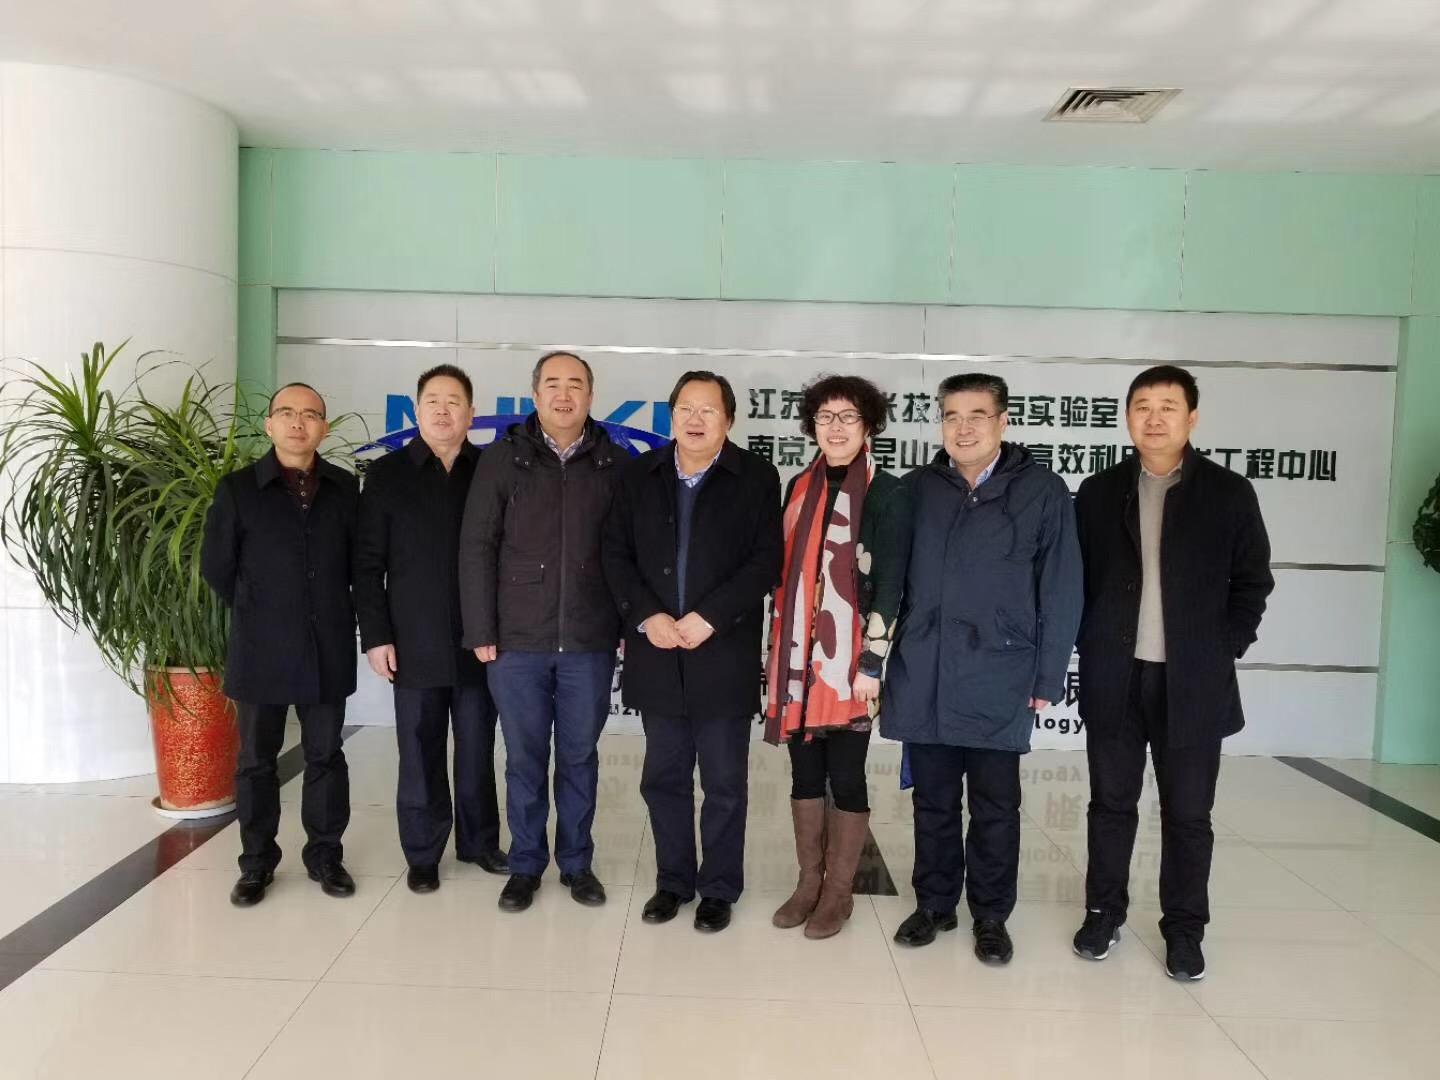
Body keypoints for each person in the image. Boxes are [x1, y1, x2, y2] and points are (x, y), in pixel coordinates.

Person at [1071, 365, 1273, 981]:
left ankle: (1185, 929)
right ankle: (1103, 912)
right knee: (1111, 804)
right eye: (1142, 406)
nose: (1153, 418)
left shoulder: (1228, 493)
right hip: (1115, 675)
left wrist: (1223, 646)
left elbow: (1253, 582)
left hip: (1193, 682)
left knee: (1188, 814)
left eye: (1167, 406)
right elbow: (1076, 582)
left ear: (1192, 417)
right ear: (1127, 417)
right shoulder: (1099, 492)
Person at [882, 371, 1082, 964]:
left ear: (1003, 421)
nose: (963, 428)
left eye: (977, 416)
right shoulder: (916, 489)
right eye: (951, 416)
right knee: (933, 800)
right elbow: (887, 583)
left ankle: (991, 915)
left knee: (995, 806)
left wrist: (1048, 676)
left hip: (1002, 672)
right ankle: (934, 904)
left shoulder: (1041, 490)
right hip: (926, 668)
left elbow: (1062, 588)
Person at [602, 370, 782, 933]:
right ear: (671, 415)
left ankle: (719, 888)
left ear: (729, 419)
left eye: (708, 410)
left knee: (724, 783)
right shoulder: (639, 474)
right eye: (685, 408)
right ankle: (673, 882)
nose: (695, 419)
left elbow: (765, 561)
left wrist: (710, 617)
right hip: (657, 650)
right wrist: (646, 616)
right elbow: (614, 554)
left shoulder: (756, 477)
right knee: (664, 777)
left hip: (721, 651)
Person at [458, 351, 622, 913]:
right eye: (552, 384)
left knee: (579, 756)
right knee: (524, 759)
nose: (564, 394)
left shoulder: (613, 462)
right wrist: (481, 628)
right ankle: (526, 864)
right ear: (534, 395)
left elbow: (627, 552)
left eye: (575, 385)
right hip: (517, 642)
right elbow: (476, 546)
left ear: (590, 397)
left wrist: (625, 623)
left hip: (588, 640)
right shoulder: (503, 458)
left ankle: (576, 863)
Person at [764, 374, 911, 939]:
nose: (836, 427)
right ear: (812, 425)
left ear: (868, 425)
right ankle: (809, 883)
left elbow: (891, 582)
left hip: (852, 663)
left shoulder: (888, 492)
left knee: (846, 774)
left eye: (848, 416)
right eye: (825, 417)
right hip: (798, 661)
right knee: (804, 773)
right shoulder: (798, 485)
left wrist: (872, 662)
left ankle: (839, 892)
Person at [201, 382, 359, 907]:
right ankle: (256, 863)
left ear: (323, 428)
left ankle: (325, 856)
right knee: (255, 762)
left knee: (326, 757)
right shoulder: (238, 489)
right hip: (260, 650)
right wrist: (263, 608)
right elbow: (217, 567)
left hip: (326, 646)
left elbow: (359, 565)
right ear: (269, 425)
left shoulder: (344, 488)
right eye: (287, 413)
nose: (298, 422)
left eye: (310, 414)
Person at [354, 363, 507, 895]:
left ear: (471, 413)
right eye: (432, 401)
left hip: (479, 639)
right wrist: (376, 635)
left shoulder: (489, 469)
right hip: (411, 640)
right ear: (416, 410)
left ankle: (480, 842)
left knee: (477, 748)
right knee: (418, 751)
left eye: (454, 401)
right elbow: (367, 564)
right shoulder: (387, 474)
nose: (443, 410)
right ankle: (422, 853)